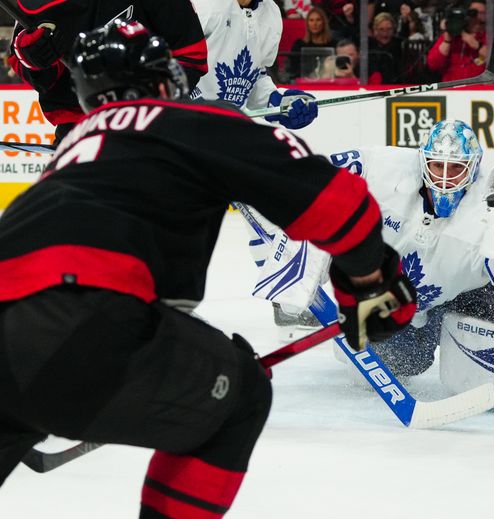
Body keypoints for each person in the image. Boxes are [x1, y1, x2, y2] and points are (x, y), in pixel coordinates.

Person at [0, 19, 416, 514]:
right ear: (165, 80)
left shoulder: (70, 152)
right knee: (238, 400)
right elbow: (338, 204)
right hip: (87, 314)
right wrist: (368, 282)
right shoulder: (185, 119)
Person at [251, 120, 494, 424]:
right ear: (423, 161)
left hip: (466, 295)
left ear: (473, 168)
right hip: (395, 300)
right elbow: (313, 177)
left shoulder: (488, 210)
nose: (443, 178)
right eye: (436, 166)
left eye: (455, 169)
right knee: (398, 364)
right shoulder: (382, 167)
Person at [7, 0, 208, 143]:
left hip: (157, 125)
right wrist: (35, 59)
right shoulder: (36, 5)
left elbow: (191, 54)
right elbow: (42, 78)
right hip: (81, 130)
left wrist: (148, 107)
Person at [191, 0, 318, 130]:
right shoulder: (202, 5)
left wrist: (275, 102)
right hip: (185, 127)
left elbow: (254, 75)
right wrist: (190, 104)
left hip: (230, 131)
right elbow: (174, 65)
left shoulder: (271, 13)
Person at [426, 0, 494, 82]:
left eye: (482, 13)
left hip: (481, 92)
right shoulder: (453, 36)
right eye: (473, 13)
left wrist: (478, 46)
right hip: (453, 91)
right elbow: (433, 64)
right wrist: (447, 40)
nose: (477, 17)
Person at [287, 6, 337, 81]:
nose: (315, 24)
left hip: (328, 83)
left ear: (324, 22)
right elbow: (293, 70)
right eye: (311, 20)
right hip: (304, 84)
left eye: (318, 20)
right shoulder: (299, 45)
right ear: (307, 23)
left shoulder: (333, 44)